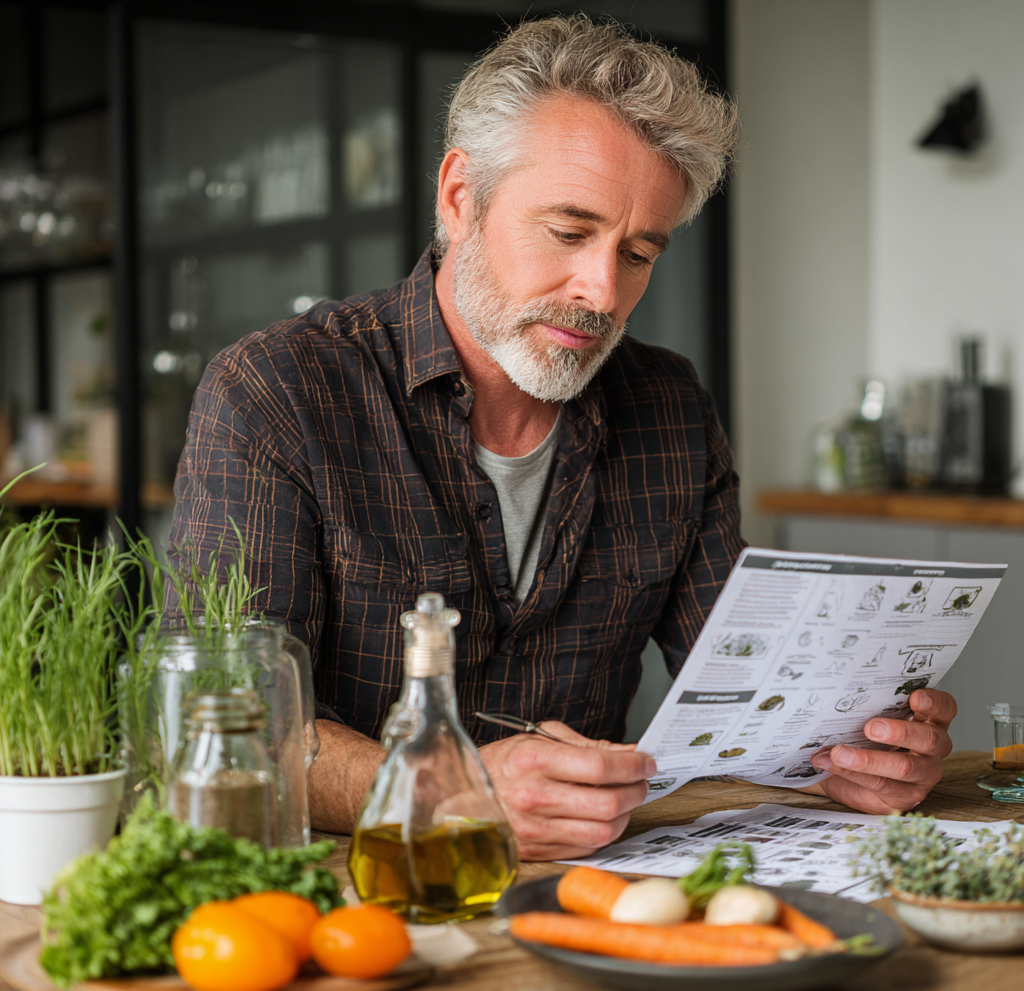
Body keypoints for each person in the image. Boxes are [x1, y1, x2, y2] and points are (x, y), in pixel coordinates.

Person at [167, 15, 956, 859]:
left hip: (589, 889)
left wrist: (852, 750)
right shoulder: (277, 392)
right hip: (351, 891)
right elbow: (221, 728)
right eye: (570, 232)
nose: (602, 290)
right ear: (460, 196)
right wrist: (455, 784)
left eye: (640, 252)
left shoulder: (669, 407)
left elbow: (752, 685)